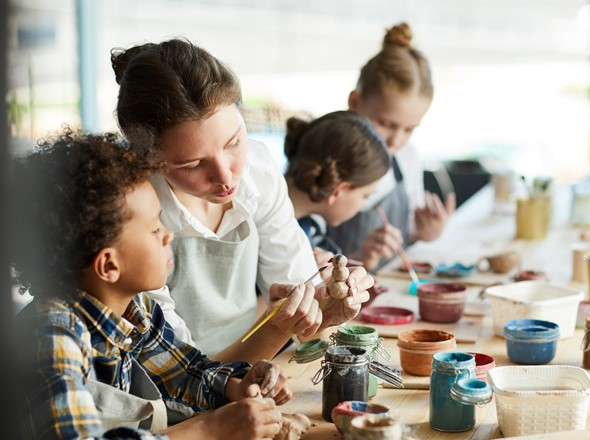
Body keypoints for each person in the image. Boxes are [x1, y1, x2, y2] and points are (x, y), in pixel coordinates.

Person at [10, 128, 290, 439]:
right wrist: (209, 429)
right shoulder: (53, 337)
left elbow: (183, 374)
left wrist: (237, 386)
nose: (168, 235)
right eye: (155, 228)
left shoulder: (134, 308)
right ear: (109, 265)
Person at [111, 38, 373, 364]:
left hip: (252, 370)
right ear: (148, 159)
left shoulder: (258, 170)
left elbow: (302, 308)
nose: (226, 176)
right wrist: (278, 327)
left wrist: (325, 308)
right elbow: (176, 374)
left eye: (234, 142)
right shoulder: (132, 214)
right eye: (193, 164)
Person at [325, 22, 456, 271]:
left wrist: (423, 232)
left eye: (409, 129)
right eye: (385, 123)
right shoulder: (323, 161)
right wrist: (361, 255)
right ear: (354, 102)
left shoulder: (407, 157)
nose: (396, 140)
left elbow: (406, 232)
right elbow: (299, 263)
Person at [283, 110, 391, 268]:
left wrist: (362, 256)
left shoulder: (309, 225)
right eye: (365, 196)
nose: (363, 205)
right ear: (338, 190)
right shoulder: (269, 228)